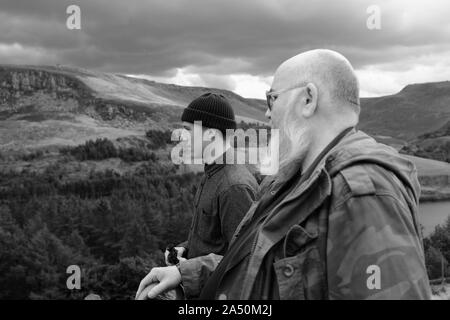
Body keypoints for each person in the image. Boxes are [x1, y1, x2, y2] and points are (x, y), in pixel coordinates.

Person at [136, 50, 431, 300]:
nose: (266, 114)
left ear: (308, 99)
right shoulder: (296, 180)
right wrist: (185, 272)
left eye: (272, 98)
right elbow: (252, 263)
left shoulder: (363, 191)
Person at [160, 93, 260, 282]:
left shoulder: (234, 187)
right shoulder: (213, 172)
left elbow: (244, 260)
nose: (181, 137)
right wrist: (186, 249)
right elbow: (215, 241)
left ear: (212, 134)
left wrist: (183, 272)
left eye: (187, 130)